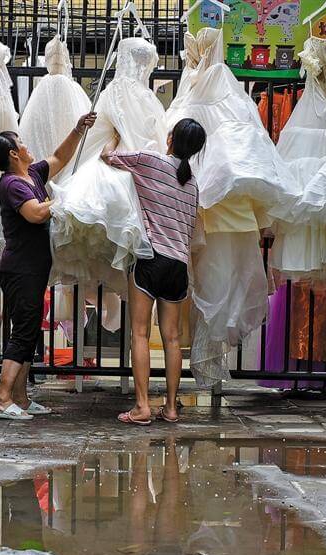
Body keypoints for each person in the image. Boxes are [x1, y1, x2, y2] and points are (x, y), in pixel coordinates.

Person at [0, 113, 96, 421]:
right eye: (20, 142)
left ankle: (19, 398)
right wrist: (64, 198)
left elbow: (60, 157)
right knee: (22, 332)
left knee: (29, 330)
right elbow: (35, 214)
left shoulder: (32, 174)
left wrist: (77, 129)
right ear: (12, 152)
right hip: (21, 269)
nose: (26, 144)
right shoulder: (11, 185)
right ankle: (2, 397)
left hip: (32, 268)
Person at [101, 118, 206, 426]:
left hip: (150, 259)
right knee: (173, 339)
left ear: (170, 138)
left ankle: (142, 407)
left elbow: (107, 157)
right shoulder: (193, 184)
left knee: (140, 333)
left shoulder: (150, 161)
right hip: (178, 266)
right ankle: (171, 408)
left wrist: (115, 137)